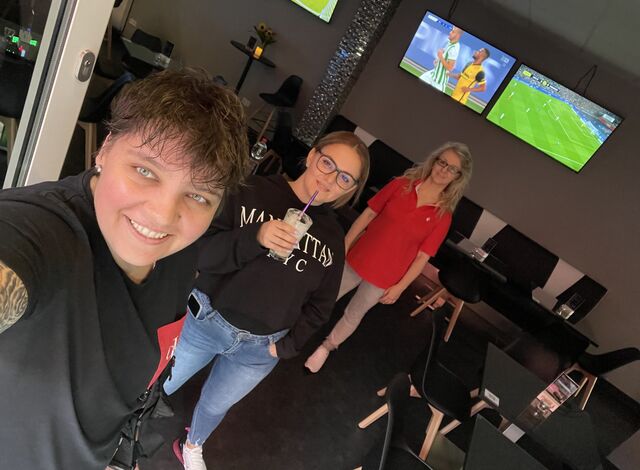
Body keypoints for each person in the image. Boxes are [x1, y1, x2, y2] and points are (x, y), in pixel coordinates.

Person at [0, 68, 248, 470]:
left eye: (198, 196)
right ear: (105, 149)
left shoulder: (180, 252)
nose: (163, 215)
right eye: (145, 171)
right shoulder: (38, 232)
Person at [163, 131, 370, 470]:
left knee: (216, 405)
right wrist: (255, 237)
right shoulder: (252, 191)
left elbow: (321, 305)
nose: (331, 179)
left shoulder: (333, 238)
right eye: (327, 163)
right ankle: (119, 431)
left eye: (345, 178)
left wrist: (286, 347)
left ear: (351, 189)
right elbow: (202, 253)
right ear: (312, 155)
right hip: (206, 322)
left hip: (260, 350)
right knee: (162, 382)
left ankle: (193, 444)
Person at [305, 142, 473, 373]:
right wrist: (344, 245)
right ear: (434, 161)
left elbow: (422, 258)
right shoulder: (401, 184)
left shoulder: (442, 216)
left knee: (354, 314)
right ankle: (297, 330)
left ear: (457, 177)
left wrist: (400, 287)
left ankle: (326, 347)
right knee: (325, 297)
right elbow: (368, 215)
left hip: (385, 277)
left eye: (451, 168)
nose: (443, 170)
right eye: (442, 162)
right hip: (359, 257)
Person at [420, 26, 464, 92]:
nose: (450, 32)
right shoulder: (450, 43)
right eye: (451, 30)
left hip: (439, 83)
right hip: (433, 74)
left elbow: (450, 68)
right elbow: (446, 57)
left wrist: (440, 57)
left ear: (458, 35)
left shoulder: (454, 48)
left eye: (453, 32)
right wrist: (438, 61)